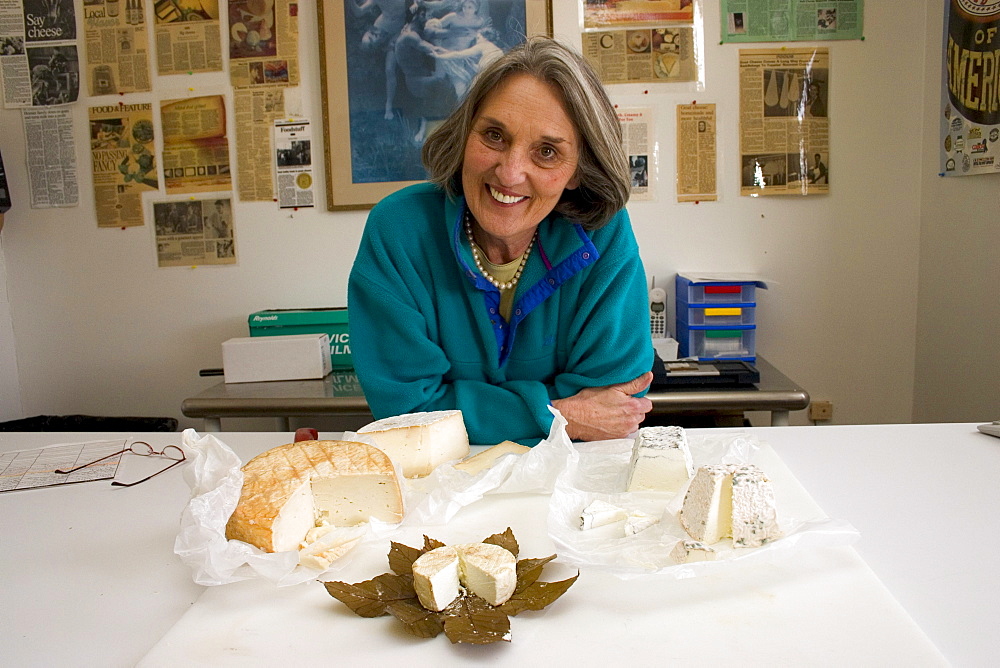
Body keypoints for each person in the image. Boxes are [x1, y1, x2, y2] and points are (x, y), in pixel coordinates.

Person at [348, 36, 654, 445]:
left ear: (578, 171)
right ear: (464, 134)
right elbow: (406, 415)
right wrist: (560, 416)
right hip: (439, 492)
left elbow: (613, 401)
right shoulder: (398, 230)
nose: (509, 173)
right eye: (494, 136)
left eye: (546, 151)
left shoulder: (603, 232)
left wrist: (461, 413)